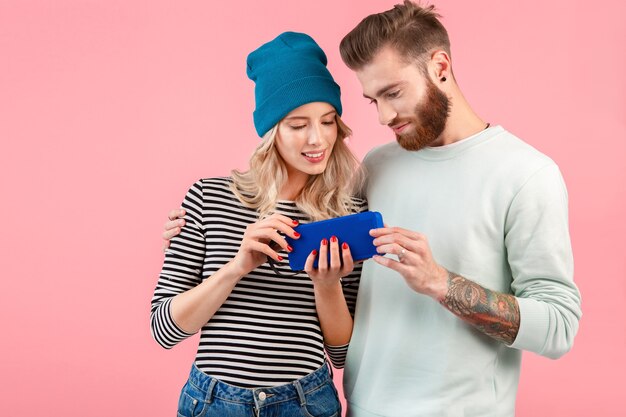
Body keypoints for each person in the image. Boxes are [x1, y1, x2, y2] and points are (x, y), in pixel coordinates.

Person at [163, 2, 582, 416]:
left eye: (393, 93)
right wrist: (195, 222)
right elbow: (300, 202)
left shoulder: (528, 175)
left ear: (440, 67)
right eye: (371, 100)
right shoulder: (377, 167)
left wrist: (441, 283)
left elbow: (559, 328)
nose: (383, 116)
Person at [151, 31, 367, 417]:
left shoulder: (348, 214)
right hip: (214, 403)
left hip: (306, 402)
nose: (317, 139)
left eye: (328, 121)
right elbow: (165, 329)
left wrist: (327, 285)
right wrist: (236, 267)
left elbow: (341, 354)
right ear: (271, 132)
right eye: (298, 124)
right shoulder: (209, 197)